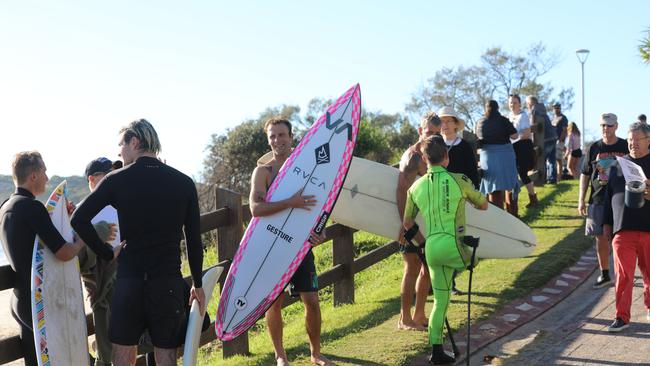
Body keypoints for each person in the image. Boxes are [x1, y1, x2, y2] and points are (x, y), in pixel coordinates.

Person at [71, 119, 204, 366]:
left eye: (121, 144)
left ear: (135, 142)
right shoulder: (183, 182)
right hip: (167, 281)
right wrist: (197, 282)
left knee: (123, 351)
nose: (119, 152)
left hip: (130, 280)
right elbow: (193, 240)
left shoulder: (116, 180)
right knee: (166, 351)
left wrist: (105, 253)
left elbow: (79, 219)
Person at [249, 117, 333, 366]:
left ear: (291, 136)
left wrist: (321, 232)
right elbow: (255, 208)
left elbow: (320, 205)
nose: (277, 140)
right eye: (272, 136)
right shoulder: (263, 172)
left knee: (313, 302)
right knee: (274, 303)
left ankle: (315, 353)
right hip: (272, 247)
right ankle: (280, 356)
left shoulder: (310, 170)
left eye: (281, 135)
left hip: (301, 247)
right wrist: (289, 203)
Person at [402, 136, 488, 364]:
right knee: (475, 259)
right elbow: (483, 204)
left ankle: (437, 352)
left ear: (424, 159)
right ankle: (465, 265)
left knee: (440, 302)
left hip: (431, 248)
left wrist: (421, 244)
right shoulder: (459, 180)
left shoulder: (415, 188)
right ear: (447, 158)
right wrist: (467, 199)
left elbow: (407, 223)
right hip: (455, 247)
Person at [0, 151, 86, 366]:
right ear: (34, 176)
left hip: (19, 299)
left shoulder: (6, 207)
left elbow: (32, 242)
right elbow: (64, 252)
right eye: (44, 171)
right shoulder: (32, 208)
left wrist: (64, 217)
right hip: (38, 302)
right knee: (60, 358)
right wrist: (81, 241)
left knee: (33, 361)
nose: (48, 177)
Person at [602, 122, 650, 332]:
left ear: (648, 141)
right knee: (624, 275)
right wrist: (606, 224)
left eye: (637, 140)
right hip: (623, 229)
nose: (633, 144)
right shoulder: (616, 165)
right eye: (630, 140)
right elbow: (607, 197)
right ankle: (621, 316)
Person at [396, 112, 439, 330]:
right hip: (409, 221)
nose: (432, 138)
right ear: (420, 131)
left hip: (426, 220)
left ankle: (420, 314)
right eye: (429, 132)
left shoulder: (431, 154)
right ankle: (404, 318)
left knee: (428, 266)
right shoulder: (413, 157)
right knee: (412, 266)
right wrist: (405, 224)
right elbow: (402, 190)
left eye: (436, 134)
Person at [76, 157, 119, 366]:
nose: (113, 178)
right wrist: (96, 236)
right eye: (107, 174)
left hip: (127, 281)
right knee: (106, 352)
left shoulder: (119, 203)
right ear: (92, 180)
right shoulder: (80, 212)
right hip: (101, 288)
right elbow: (76, 261)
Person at [578, 113, 629, 289]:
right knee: (600, 237)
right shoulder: (594, 147)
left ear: (616, 126)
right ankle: (605, 273)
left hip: (620, 198)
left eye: (609, 125)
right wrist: (581, 200)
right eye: (602, 126)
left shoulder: (625, 145)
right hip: (598, 197)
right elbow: (585, 175)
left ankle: (623, 273)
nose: (605, 129)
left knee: (621, 238)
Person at [474, 100, 518, 210]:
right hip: (505, 155)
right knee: (510, 184)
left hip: (488, 156)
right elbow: (514, 136)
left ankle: (498, 218)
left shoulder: (480, 122)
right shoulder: (503, 120)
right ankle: (513, 214)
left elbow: (478, 137)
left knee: (493, 187)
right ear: (498, 108)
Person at [508, 94, 538, 211]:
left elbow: (526, 133)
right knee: (513, 174)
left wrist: (514, 138)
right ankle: (513, 203)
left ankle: (533, 197)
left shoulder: (523, 116)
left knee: (522, 173)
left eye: (514, 102)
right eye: (510, 102)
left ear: (519, 104)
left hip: (523, 147)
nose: (512, 104)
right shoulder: (509, 116)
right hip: (512, 148)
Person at [552, 103, 569, 182]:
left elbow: (565, 130)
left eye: (558, 107)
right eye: (555, 108)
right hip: (552, 141)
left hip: (559, 141)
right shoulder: (553, 118)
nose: (556, 109)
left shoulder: (563, 118)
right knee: (553, 160)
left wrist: (560, 140)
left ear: (560, 108)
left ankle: (559, 179)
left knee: (558, 159)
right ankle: (554, 177)